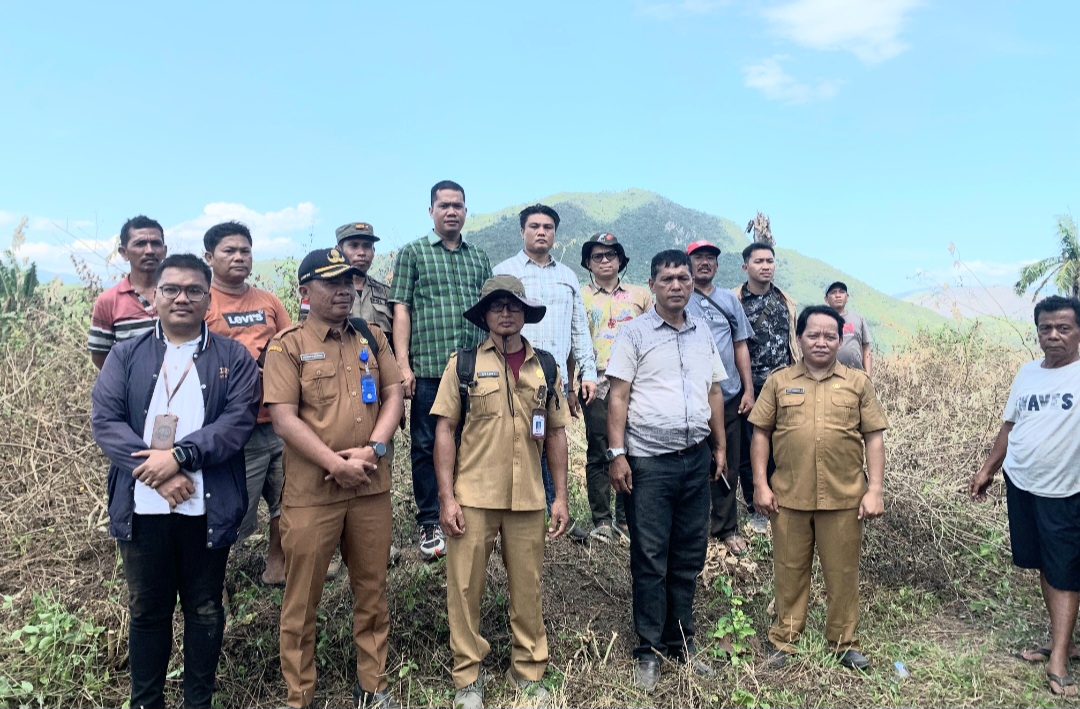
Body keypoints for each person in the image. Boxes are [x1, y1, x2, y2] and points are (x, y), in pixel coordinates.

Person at [91, 253, 260, 709]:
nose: (182, 298)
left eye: (193, 290)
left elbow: (237, 422)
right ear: (154, 297)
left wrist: (181, 456)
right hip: (143, 509)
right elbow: (105, 421)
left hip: (205, 507)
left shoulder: (234, 357)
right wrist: (159, 474)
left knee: (205, 608)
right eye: (171, 289)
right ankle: (146, 701)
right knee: (148, 611)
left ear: (209, 297)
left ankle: (197, 702)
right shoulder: (127, 355)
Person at [263, 248, 405, 709]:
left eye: (348, 280)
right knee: (302, 601)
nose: (344, 289)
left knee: (372, 591)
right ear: (305, 292)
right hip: (312, 494)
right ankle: (299, 695)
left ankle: (373, 686)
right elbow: (283, 419)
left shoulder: (371, 336)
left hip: (370, 487)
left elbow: (392, 394)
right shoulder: (287, 345)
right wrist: (334, 463)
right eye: (331, 282)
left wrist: (374, 449)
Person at [431, 275, 571, 709]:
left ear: (525, 314)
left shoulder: (545, 366)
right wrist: (446, 497)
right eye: (497, 306)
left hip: (529, 498)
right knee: (465, 589)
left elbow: (557, 436)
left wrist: (560, 496)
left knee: (527, 588)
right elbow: (444, 431)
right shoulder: (464, 364)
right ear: (485, 315)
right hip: (472, 496)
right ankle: (467, 678)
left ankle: (528, 670)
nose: (505, 313)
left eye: (513, 305)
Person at [606, 249, 727, 691]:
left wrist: (720, 446)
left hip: (695, 459)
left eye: (683, 277)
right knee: (651, 557)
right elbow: (617, 396)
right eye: (667, 278)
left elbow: (714, 392)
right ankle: (649, 649)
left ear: (692, 283)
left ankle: (682, 640)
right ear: (652, 284)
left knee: (689, 553)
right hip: (649, 464)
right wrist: (616, 454)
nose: (676, 285)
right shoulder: (634, 334)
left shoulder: (702, 335)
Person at [749, 305, 889, 671]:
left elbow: (874, 438)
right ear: (799, 339)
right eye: (813, 335)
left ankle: (844, 643)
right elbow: (760, 434)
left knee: (843, 573)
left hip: (844, 496)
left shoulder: (858, 383)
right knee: (788, 570)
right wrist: (760, 484)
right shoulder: (778, 382)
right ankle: (784, 639)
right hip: (788, 496)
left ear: (840, 339)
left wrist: (875, 490)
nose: (822, 342)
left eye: (830, 336)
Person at [970, 295, 1080, 697]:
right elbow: (1009, 426)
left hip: (1065, 488)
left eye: (1063, 328)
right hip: (1023, 483)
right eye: (1045, 328)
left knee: (1065, 571)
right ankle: (1059, 639)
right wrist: (987, 470)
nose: (1053, 336)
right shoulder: (1027, 373)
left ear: (1078, 331)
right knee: (1046, 566)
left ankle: (1060, 658)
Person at [389, 180, 492, 562]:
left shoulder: (479, 257)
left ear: (466, 211)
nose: (452, 211)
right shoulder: (413, 254)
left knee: (473, 440)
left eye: (458, 205)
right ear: (430, 210)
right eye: (444, 205)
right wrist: (403, 365)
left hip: (475, 367)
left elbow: (491, 311)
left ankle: (466, 507)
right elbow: (402, 309)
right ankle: (430, 519)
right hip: (431, 367)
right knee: (427, 444)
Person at [493, 204, 597, 541]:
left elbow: (578, 330)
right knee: (513, 440)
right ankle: (506, 515)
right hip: (513, 372)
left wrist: (587, 375)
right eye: (534, 226)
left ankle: (554, 509)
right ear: (521, 231)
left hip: (553, 376)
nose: (541, 232)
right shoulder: (505, 271)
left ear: (555, 233)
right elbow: (491, 324)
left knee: (551, 437)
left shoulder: (568, 277)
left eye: (548, 227)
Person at [202, 220, 292, 587]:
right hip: (235, 429)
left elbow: (290, 343)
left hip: (279, 420)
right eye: (229, 251)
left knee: (287, 503)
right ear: (209, 257)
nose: (239, 257)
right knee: (232, 513)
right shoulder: (203, 302)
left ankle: (277, 566)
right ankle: (211, 584)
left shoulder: (268, 301)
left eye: (245, 251)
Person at [579, 232, 651, 543]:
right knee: (598, 452)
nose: (605, 260)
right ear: (588, 263)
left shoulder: (641, 295)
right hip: (595, 382)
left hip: (635, 384)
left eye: (611, 255)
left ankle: (625, 520)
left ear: (620, 260)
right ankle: (602, 521)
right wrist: (572, 386)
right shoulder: (580, 296)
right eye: (598, 256)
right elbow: (576, 343)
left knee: (631, 450)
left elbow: (653, 337)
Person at [686, 239, 756, 555]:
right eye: (699, 257)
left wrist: (748, 389)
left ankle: (726, 527)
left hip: (727, 395)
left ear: (716, 265)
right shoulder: (680, 297)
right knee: (691, 464)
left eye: (710, 258)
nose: (705, 263)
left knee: (726, 462)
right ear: (689, 263)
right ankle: (693, 530)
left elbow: (740, 344)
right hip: (689, 397)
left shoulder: (729, 300)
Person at [733, 241, 799, 534]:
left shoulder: (786, 301)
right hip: (749, 387)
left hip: (785, 384)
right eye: (758, 261)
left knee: (785, 446)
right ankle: (756, 507)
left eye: (770, 261)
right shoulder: (735, 301)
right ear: (746, 266)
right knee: (751, 448)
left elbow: (794, 343)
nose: (765, 266)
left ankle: (784, 501)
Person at [88, 215, 167, 369]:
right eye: (140, 244)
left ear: (164, 251)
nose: (149, 250)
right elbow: (100, 355)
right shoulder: (109, 301)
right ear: (124, 252)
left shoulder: (183, 295)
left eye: (156, 244)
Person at [824, 281, 872, 375]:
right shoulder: (821, 320)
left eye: (841, 292)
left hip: (856, 374)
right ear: (826, 299)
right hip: (829, 375)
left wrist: (868, 376)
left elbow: (866, 349)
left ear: (847, 297)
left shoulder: (858, 318)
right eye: (833, 292)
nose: (838, 295)